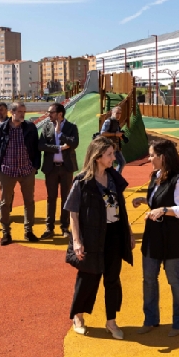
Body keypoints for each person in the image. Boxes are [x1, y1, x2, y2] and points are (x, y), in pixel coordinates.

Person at [64, 137, 135, 340]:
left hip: (114, 234)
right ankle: (78, 316)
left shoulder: (114, 178)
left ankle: (111, 321)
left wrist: (128, 232)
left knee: (112, 279)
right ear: (97, 157)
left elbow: (120, 208)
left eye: (113, 153)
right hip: (92, 236)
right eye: (110, 154)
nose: (114, 157)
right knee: (88, 277)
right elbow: (73, 213)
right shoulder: (82, 182)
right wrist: (77, 241)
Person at [132, 139, 179, 337]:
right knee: (149, 278)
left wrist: (163, 210)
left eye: (152, 155)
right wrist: (145, 201)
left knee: (174, 279)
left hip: (172, 236)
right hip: (153, 236)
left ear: (163, 157)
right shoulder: (156, 176)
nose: (149, 159)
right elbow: (157, 200)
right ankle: (150, 319)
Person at [0, 102, 41, 246]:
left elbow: (36, 148)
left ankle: (28, 231)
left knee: (29, 202)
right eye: (20, 112)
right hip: (7, 171)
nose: (23, 114)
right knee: (5, 203)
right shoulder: (0, 129)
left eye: (24, 111)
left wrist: (35, 167)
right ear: (12, 112)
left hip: (26, 171)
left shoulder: (30, 127)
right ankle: (6, 233)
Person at [39, 103, 79, 239]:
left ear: (60, 114)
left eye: (51, 112)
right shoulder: (46, 127)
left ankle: (64, 227)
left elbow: (74, 143)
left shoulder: (71, 127)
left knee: (66, 198)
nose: (49, 114)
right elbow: (41, 145)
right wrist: (59, 148)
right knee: (51, 198)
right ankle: (49, 228)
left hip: (66, 168)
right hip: (51, 169)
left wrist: (60, 134)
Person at [100, 106, 128, 173]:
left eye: (120, 113)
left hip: (116, 147)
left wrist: (120, 136)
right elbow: (102, 133)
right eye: (117, 113)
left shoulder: (117, 122)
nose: (119, 115)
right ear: (112, 113)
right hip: (109, 147)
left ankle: (116, 177)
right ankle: (111, 179)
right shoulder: (108, 121)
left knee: (122, 162)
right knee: (110, 165)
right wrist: (115, 134)